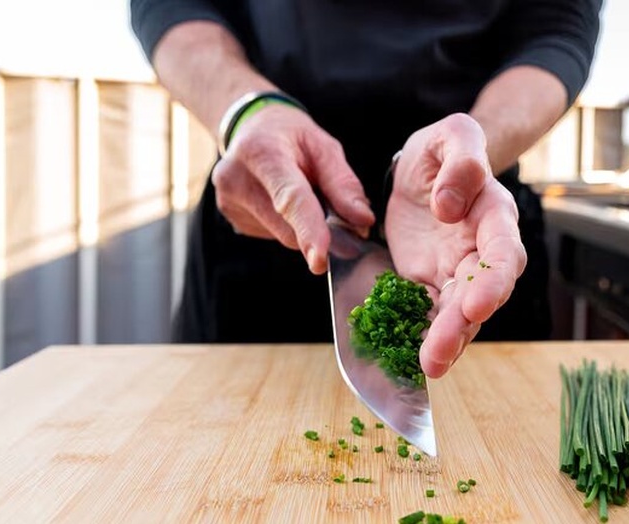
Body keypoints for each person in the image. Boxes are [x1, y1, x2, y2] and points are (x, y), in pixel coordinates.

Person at [129, 0, 602, 379]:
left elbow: (556, 26)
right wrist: (248, 110)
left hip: (461, 232)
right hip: (270, 206)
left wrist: (470, 152)